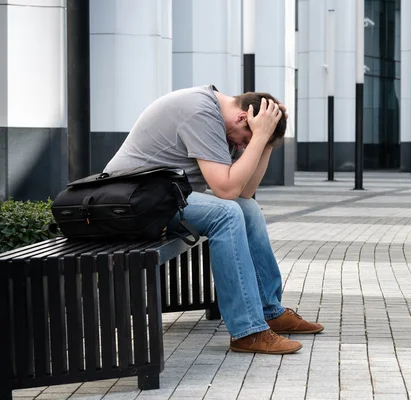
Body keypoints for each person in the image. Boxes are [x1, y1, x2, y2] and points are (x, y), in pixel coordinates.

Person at [104, 85, 323, 355]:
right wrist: (258, 137)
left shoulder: (223, 120)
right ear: (243, 118)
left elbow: (244, 192)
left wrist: (265, 141)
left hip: (162, 198)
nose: (242, 147)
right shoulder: (200, 112)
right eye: (245, 139)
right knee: (226, 213)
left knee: (247, 209)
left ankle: (269, 310)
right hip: (134, 202)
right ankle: (248, 331)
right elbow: (227, 190)